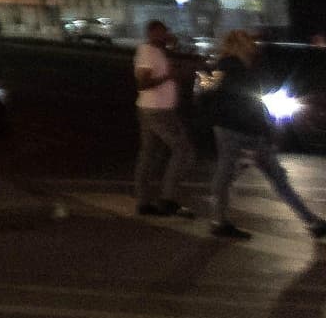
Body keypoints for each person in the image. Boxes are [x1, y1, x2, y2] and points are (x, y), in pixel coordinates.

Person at [202, 30, 323, 241]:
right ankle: (311, 221)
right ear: (243, 45)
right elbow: (258, 97)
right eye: (251, 43)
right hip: (247, 130)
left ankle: (218, 220)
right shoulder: (243, 68)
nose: (254, 47)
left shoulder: (220, 68)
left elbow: (205, 93)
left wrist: (214, 117)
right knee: (275, 178)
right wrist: (267, 130)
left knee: (227, 173)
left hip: (228, 128)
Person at [135, 20, 199, 217]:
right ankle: (167, 198)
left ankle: (144, 202)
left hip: (157, 109)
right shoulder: (147, 52)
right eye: (162, 32)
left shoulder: (159, 51)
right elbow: (142, 84)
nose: (166, 35)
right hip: (157, 110)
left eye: (166, 31)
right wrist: (168, 77)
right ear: (152, 33)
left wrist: (173, 48)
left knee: (150, 154)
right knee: (183, 151)